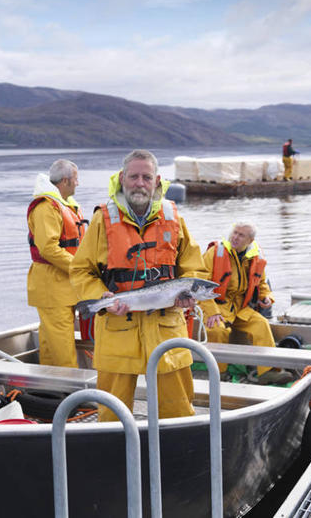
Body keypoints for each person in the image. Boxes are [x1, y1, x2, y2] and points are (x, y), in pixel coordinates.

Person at [70, 149, 208, 422]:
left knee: (177, 412)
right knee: (111, 415)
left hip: (166, 330)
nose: (140, 183)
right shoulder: (102, 219)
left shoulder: (175, 218)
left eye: (146, 177)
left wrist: (188, 297)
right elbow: (80, 270)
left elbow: (193, 268)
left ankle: (176, 457)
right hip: (117, 327)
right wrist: (102, 298)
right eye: (134, 176)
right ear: (123, 178)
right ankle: (115, 458)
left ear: (157, 181)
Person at [198, 222, 293, 385]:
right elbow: (200, 284)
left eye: (241, 235)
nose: (235, 237)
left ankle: (267, 372)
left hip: (241, 309)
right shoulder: (215, 252)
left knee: (261, 325)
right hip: (217, 306)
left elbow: (262, 283)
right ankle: (220, 373)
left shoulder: (257, 256)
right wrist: (212, 311)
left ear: (250, 240)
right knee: (217, 330)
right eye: (234, 233)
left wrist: (266, 297)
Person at [27, 159, 86, 368]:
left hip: (62, 287)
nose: (77, 184)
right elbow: (48, 248)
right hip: (52, 288)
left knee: (51, 344)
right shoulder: (46, 208)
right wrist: (80, 269)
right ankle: (75, 399)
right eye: (76, 179)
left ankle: (53, 394)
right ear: (65, 180)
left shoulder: (62, 205)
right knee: (62, 348)